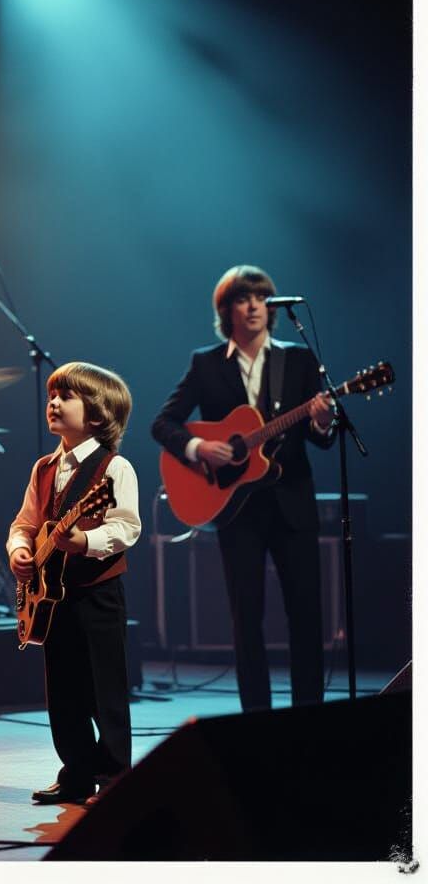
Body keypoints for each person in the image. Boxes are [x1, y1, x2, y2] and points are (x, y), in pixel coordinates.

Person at [151, 264, 336, 712]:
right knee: (246, 617)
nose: (253, 306)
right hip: (236, 510)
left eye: (260, 298)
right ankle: (257, 719)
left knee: (306, 614)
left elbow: (319, 438)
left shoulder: (299, 359)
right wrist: (198, 448)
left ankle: (309, 715)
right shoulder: (206, 363)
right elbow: (163, 423)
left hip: (291, 501)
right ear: (226, 309)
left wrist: (323, 421)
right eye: (242, 298)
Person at [7, 362, 141, 806]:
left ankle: (116, 776)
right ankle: (77, 773)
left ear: (99, 415)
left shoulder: (114, 468)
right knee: (63, 690)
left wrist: (85, 540)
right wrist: (19, 552)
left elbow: (126, 526)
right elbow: (25, 524)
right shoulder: (43, 467)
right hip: (51, 596)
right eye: (51, 396)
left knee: (106, 689)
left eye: (65, 396)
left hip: (98, 593)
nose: (53, 403)